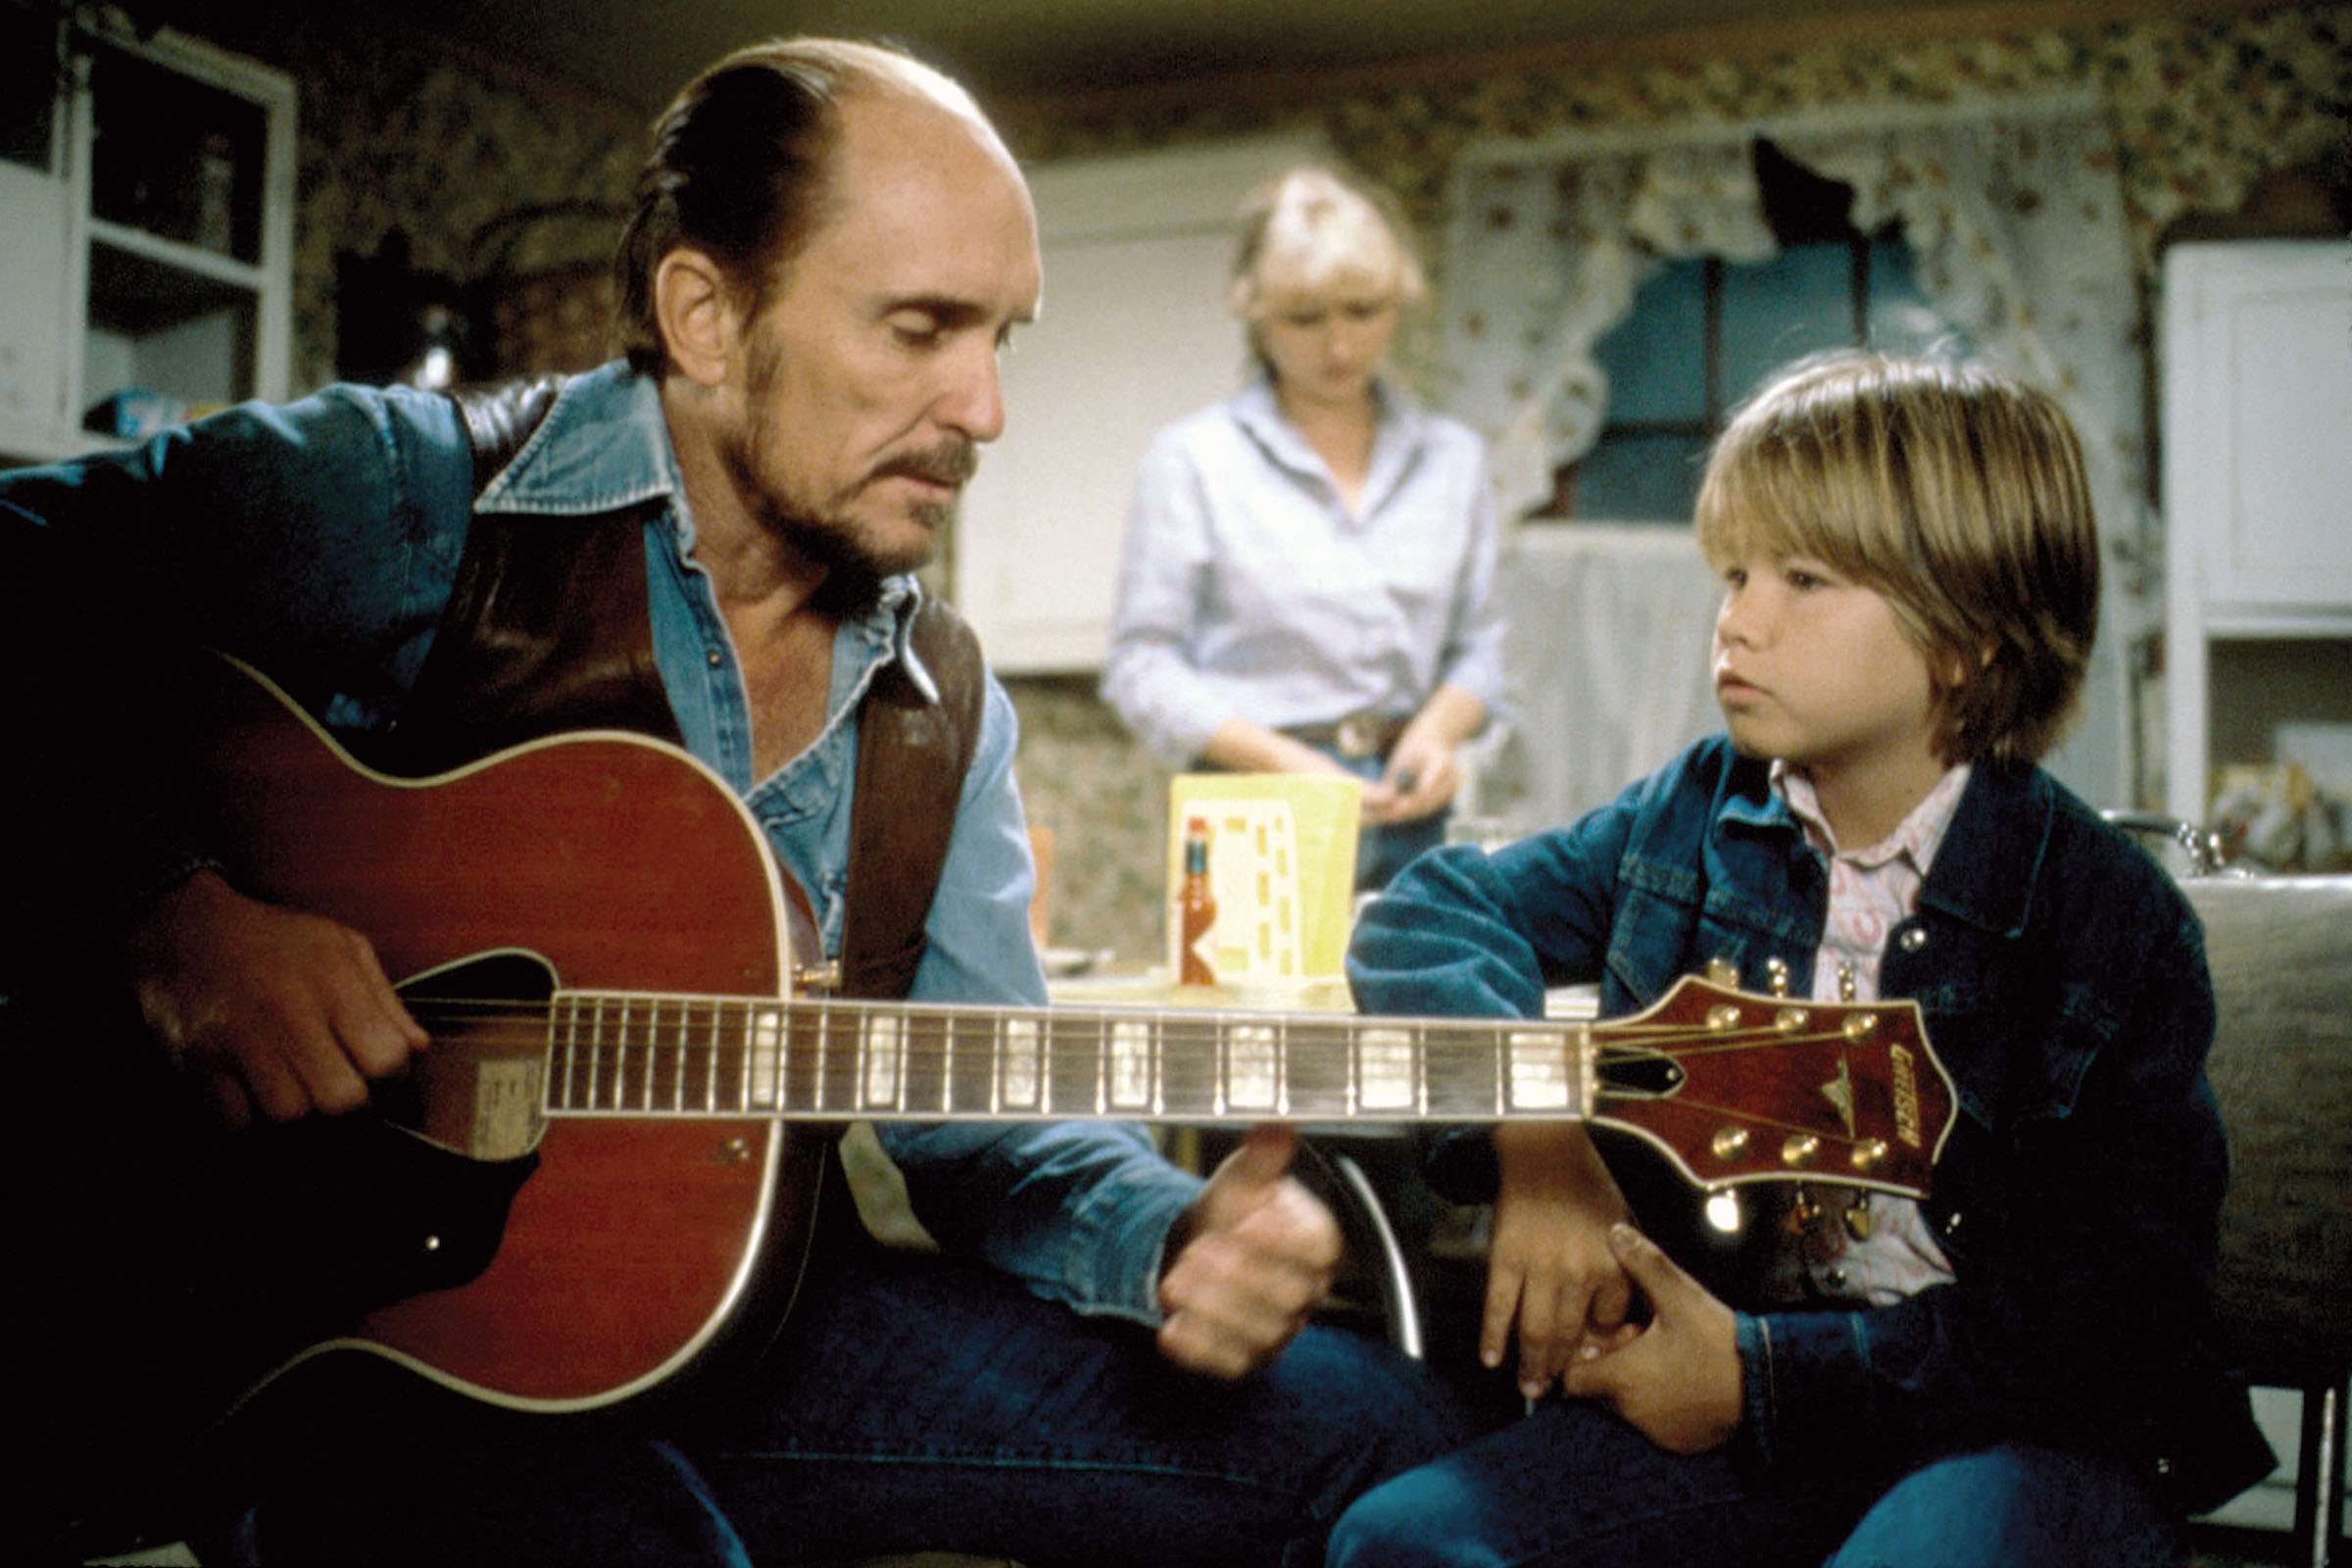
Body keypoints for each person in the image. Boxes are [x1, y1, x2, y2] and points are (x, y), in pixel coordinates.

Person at [2, 38, 1468, 1568]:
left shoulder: (942, 708)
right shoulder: (408, 499)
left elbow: (986, 1129)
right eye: (920, 329)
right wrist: (166, 910)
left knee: (1398, 1445)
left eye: (1003, 342)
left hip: (736, 1323)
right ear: (706, 316)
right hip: (346, 1335)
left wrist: (1175, 1236)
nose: (984, 409)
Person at [1329, 351, 2275, 1567]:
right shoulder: (1690, 815)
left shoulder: (2109, 919)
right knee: (1402, 1544)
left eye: (1805, 578)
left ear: (1968, 637)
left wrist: (1759, 1378)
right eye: (1734, 572)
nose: (1739, 618)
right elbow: (1425, 910)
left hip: (2018, 1439)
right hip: (1729, 1412)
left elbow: (2105, 1325)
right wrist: (1539, 1143)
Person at [1100, 166, 1506, 891]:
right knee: (1258, 1005)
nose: (1340, 344)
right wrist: (1292, 766)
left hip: (1414, 804)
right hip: (1253, 799)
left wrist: (1436, 735)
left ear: (1399, 300)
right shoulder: (1194, 461)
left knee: (1418, 995)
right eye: (1305, 317)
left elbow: (1484, 647)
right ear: (1255, 312)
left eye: (1363, 310)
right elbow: (1142, 665)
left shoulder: (1455, 460)